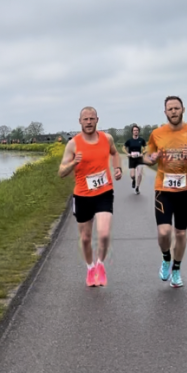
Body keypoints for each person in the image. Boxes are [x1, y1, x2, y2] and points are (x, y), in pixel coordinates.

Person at [141, 96, 187, 288]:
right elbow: (147, 158)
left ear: (183, 110)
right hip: (163, 189)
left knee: (180, 233)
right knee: (164, 232)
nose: (173, 111)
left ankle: (177, 269)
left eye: (176, 108)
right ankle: (166, 258)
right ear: (165, 112)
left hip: (185, 189)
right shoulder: (157, 134)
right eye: (170, 109)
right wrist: (152, 158)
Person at [58, 106, 123, 287]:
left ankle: (100, 264)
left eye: (91, 119)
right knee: (86, 238)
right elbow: (61, 172)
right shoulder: (73, 144)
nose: (88, 122)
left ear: (97, 120)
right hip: (82, 196)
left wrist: (117, 168)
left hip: (104, 192)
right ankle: (90, 268)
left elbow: (115, 153)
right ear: (80, 122)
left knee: (103, 233)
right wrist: (73, 163)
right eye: (85, 119)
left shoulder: (106, 138)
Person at [123, 124, 146, 194]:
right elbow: (123, 148)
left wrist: (143, 153)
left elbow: (146, 148)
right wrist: (127, 153)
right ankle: (133, 180)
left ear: (138, 131)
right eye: (134, 130)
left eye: (137, 130)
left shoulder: (141, 140)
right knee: (132, 175)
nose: (135, 132)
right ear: (132, 132)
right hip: (132, 158)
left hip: (139, 158)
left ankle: (137, 187)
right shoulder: (129, 141)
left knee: (139, 174)